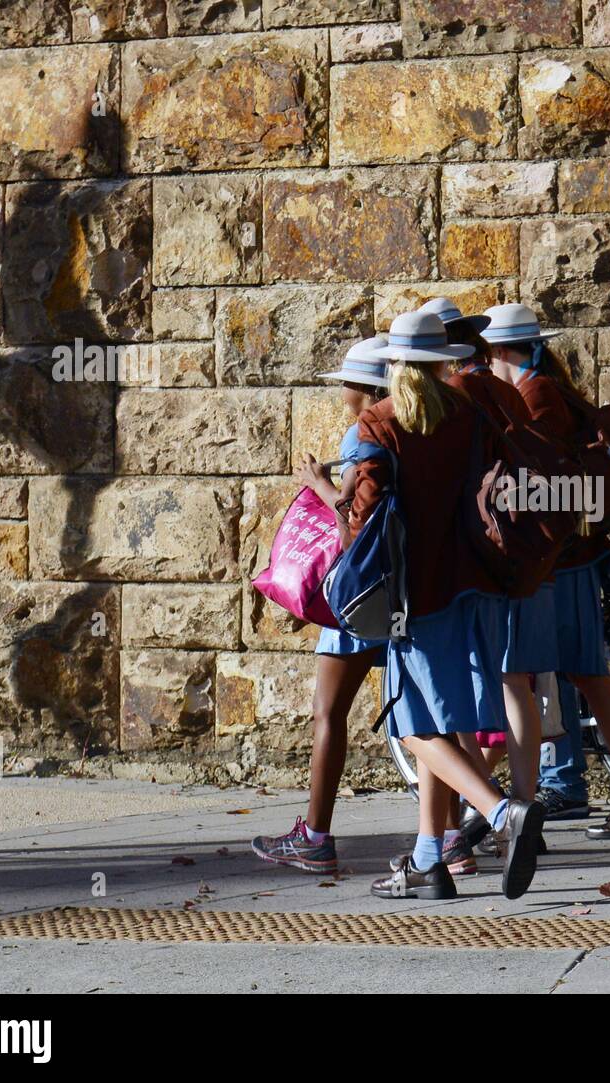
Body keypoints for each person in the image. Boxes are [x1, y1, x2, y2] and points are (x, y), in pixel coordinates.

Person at [353, 311, 545, 901]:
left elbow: (363, 515)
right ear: (443, 360)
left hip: (415, 591)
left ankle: (497, 810)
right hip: (472, 584)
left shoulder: (379, 423)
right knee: (436, 719)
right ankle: (429, 858)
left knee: (414, 728)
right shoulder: (468, 414)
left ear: (393, 363)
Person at [482, 302, 610, 841]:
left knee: (526, 676)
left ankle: (520, 808)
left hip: (558, 563)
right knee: (586, 676)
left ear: (498, 352)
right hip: (574, 557)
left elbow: (537, 480)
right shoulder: (543, 388)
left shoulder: (533, 397)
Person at [251, 337, 391, 874]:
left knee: (327, 714)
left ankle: (315, 834)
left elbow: (351, 516)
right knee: (422, 722)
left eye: (345, 382)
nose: (341, 391)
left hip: (355, 592)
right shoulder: (408, 425)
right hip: (398, 589)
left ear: (361, 388)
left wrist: (316, 481)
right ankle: (450, 836)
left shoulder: (363, 432)